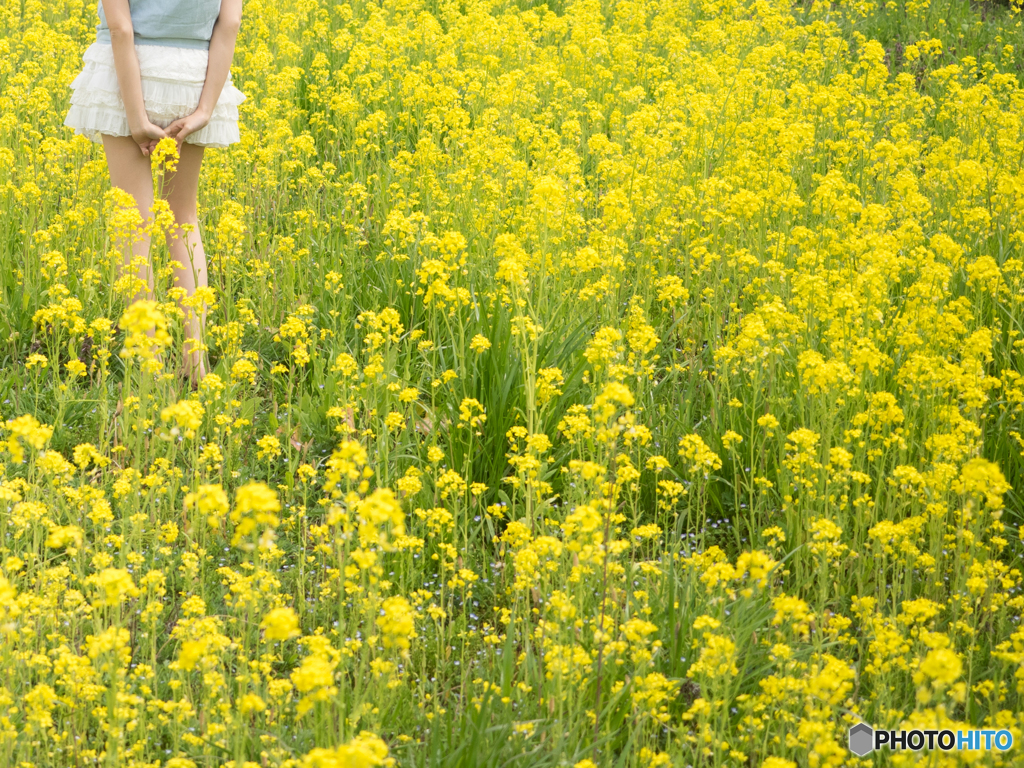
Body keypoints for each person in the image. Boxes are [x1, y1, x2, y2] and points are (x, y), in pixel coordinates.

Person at [64, 0, 245, 384]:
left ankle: (147, 360)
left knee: (135, 222)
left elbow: (121, 29)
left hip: (131, 74)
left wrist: (135, 117)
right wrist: (205, 110)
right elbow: (229, 22)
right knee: (183, 218)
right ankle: (195, 361)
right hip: (193, 78)